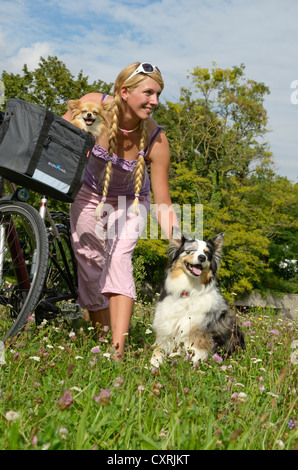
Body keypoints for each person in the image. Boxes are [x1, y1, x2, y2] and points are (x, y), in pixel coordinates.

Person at [63, 62, 178, 360]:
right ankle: (100, 339)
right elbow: (56, 138)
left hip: (131, 202)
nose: (155, 101)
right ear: (124, 92)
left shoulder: (157, 139)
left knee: (119, 259)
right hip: (89, 195)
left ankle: (116, 352)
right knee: (90, 265)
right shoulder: (93, 106)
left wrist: (179, 241)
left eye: (158, 94)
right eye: (149, 93)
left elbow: (163, 200)